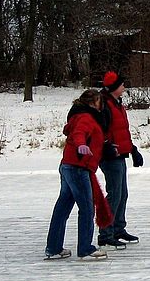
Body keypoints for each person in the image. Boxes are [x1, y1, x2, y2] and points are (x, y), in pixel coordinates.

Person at [44, 89, 109, 260]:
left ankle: (53, 248)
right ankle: (86, 249)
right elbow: (79, 133)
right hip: (78, 167)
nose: (101, 104)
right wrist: (81, 145)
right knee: (87, 208)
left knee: (62, 208)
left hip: (68, 166)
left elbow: (86, 136)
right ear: (92, 102)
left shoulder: (79, 116)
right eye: (99, 101)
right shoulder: (86, 117)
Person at [98, 70, 144, 249]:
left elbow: (122, 131)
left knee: (122, 194)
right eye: (122, 85)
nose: (124, 87)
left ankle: (118, 228)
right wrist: (106, 146)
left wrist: (132, 149)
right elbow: (100, 130)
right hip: (110, 156)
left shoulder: (117, 103)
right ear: (114, 87)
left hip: (120, 155)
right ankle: (105, 233)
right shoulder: (104, 105)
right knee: (114, 194)